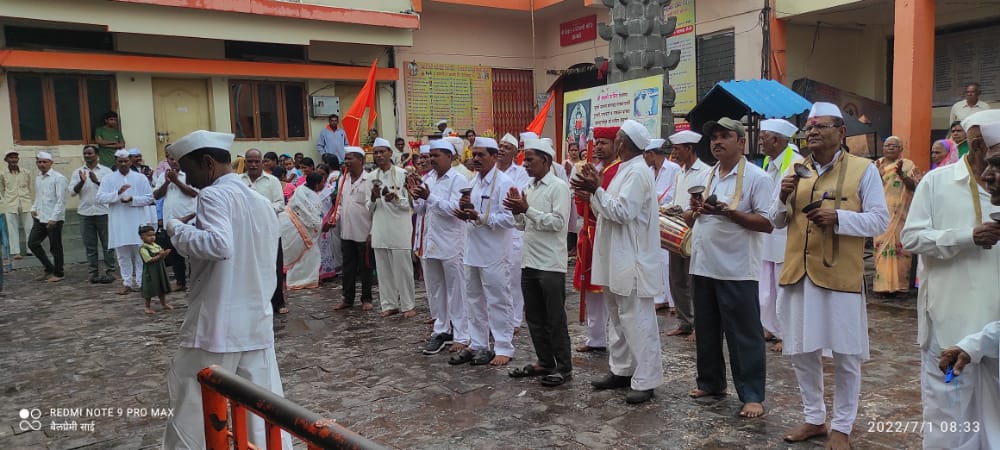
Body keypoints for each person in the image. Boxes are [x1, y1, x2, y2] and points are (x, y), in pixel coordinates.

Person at [161, 130, 290, 450]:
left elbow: (219, 245)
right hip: (255, 321)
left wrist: (177, 229)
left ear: (207, 163)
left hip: (216, 324)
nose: (186, 178)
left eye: (188, 169)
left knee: (193, 408)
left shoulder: (213, 195)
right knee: (262, 409)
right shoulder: (260, 202)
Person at [770, 102, 889, 449]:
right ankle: (814, 418)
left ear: (841, 132)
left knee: (846, 354)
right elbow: (776, 221)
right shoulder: (796, 170)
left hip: (840, 276)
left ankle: (842, 426)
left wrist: (839, 219)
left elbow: (879, 220)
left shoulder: (863, 170)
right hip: (797, 273)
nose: (813, 132)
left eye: (821, 126)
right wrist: (782, 195)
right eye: (809, 127)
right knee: (800, 351)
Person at [902, 113, 1000, 450]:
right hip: (949, 328)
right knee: (948, 424)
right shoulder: (937, 182)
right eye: (995, 159)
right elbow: (912, 239)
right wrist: (965, 237)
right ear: (977, 146)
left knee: (993, 423)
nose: (993, 173)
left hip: (995, 333)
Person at [684, 117, 773, 418]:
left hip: (736, 268)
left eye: (725, 136)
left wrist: (730, 213)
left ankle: (751, 395)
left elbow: (767, 222)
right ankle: (710, 382)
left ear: (741, 142)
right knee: (706, 329)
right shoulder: (708, 175)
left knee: (743, 334)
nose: (717, 142)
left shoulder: (757, 178)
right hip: (703, 264)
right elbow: (693, 217)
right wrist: (693, 212)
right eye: (714, 138)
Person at [572, 119, 664, 405]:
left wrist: (596, 192)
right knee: (618, 316)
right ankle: (622, 370)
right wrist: (594, 192)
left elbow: (623, 212)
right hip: (615, 256)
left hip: (631, 258)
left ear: (622, 144)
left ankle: (646, 379)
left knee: (637, 320)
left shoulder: (637, 173)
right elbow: (606, 210)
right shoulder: (626, 170)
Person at [504, 138, 573, 386]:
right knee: (534, 317)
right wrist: (516, 212)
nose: (525, 164)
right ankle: (545, 361)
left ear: (545, 160)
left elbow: (557, 223)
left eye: (530, 159)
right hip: (530, 260)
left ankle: (564, 367)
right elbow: (524, 225)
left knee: (555, 318)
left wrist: (527, 209)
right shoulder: (531, 188)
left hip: (550, 264)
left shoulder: (558, 187)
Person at [448, 137, 516, 367]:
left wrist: (481, 217)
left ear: (494, 156)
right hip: (472, 250)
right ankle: (478, 343)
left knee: (498, 299)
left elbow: (510, 219)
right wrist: (466, 214)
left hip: (494, 252)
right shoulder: (473, 181)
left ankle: (503, 346)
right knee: (474, 299)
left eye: (481, 155)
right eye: (474, 154)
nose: (475, 159)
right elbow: (474, 213)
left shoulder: (504, 183)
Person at [409, 140, 470, 354]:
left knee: (457, 290)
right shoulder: (428, 178)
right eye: (430, 155)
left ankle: (462, 334)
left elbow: (456, 208)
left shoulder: (458, 179)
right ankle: (441, 329)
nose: (431, 159)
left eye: (436, 155)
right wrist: (416, 198)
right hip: (431, 242)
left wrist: (430, 197)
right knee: (436, 290)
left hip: (452, 243)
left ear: (449, 157)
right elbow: (422, 211)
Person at [572, 126, 620, 353]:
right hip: (589, 234)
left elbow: (614, 207)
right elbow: (582, 210)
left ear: (616, 144)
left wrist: (591, 198)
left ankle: (616, 338)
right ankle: (596, 337)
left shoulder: (619, 171)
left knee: (611, 289)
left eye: (604, 142)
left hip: (610, 234)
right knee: (591, 288)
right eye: (597, 142)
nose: (599, 147)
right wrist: (583, 199)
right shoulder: (594, 169)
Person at [757, 119, 801, 352]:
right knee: (766, 289)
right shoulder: (770, 161)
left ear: (776, 140)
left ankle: (788, 333)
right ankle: (770, 327)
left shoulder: (795, 163)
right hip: (769, 235)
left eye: (763, 137)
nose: (760, 142)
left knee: (785, 289)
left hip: (785, 236)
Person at [664, 129, 709, 340]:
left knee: (694, 282)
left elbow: (702, 205)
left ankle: (700, 325)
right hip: (677, 233)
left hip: (695, 233)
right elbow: (677, 200)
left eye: (677, 149)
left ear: (689, 149)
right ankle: (685, 322)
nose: (674, 153)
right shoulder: (680, 173)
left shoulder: (705, 172)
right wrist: (670, 209)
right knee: (677, 280)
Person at [96, 149, 156, 295]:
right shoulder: (108, 179)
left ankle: (141, 282)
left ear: (130, 161)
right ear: (115, 162)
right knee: (123, 255)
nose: (123, 164)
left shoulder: (140, 178)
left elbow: (150, 198)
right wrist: (117, 193)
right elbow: (100, 198)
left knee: (140, 254)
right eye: (120, 161)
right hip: (119, 221)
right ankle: (127, 283)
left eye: (126, 161)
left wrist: (132, 199)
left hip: (137, 220)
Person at [367, 138, 415, 318]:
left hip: (400, 227)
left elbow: (411, 205)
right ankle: (389, 304)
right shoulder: (371, 178)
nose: (379, 155)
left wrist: (395, 198)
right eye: (376, 152)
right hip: (380, 227)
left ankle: (408, 304)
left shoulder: (403, 174)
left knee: (403, 269)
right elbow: (368, 208)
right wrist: (373, 198)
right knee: (384, 270)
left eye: (382, 152)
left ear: (389, 153)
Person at [872, 136, 922, 297]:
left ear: (901, 149)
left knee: (901, 248)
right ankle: (882, 286)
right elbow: (868, 188)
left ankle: (900, 286)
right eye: (888, 145)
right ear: (883, 148)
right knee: (881, 246)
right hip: (881, 213)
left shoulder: (908, 165)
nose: (891, 148)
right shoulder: (876, 165)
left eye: (895, 146)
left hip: (901, 213)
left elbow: (914, 186)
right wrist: (878, 176)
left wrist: (901, 174)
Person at [240, 149, 288, 314]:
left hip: (270, 233)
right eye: (250, 161)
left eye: (256, 161)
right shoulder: (239, 181)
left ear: (261, 162)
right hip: (248, 234)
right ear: (245, 162)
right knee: (251, 269)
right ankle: (255, 302)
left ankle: (278, 302)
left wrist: (260, 208)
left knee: (274, 267)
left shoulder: (272, 181)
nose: (253, 165)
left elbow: (280, 204)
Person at [332, 147, 374, 311]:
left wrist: (372, 231)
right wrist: (334, 218)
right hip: (346, 231)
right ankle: (347, 298)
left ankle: (366, 298)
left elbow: (373, 207)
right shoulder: (343, 179)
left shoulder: (369, 179)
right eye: (346, 159)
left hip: (363, 231)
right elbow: (340, 205)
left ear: (361, 160)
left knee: (365, 268)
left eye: (350, 159)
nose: (347, 162)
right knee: (348, 267)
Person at [643, 138, 681, 313]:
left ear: (652, 154)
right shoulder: (649, 171)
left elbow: (676, 191)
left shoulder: (673, 169)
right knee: (656, 259)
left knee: (667, 262)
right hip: (653, 219)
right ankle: (660, 298)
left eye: (645, 154)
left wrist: (662, 205)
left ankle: (673, 302)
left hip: (669, 218)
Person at [498, 133, 531, 333]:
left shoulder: (521, 173)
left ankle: (515, 318)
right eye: (500, 146)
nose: (502, 150)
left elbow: (519, 197)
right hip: (493, 231)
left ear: (515, 153)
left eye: (507, 147)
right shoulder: (489, 172)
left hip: (514, 229)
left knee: (513, 277)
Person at [71, 145, 116, 283]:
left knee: (107, 244)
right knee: (90, 245)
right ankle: (93, 272)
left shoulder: (107, 171)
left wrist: (96, 181)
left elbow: (112, 191)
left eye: (90, 153)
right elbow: (72, 192)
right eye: (85, 153)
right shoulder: (77, 172)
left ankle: (110, 271)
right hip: (85, 213)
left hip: (103, 212)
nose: (87, 155)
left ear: (97, 155)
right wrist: (82, 182)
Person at [153, 156, 198, 291]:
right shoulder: (163, 176)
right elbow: (156, 195)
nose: (173, 161)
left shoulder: (190, 175)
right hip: (170, 222)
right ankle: (180, 281)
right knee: (174, 254)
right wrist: (167, 182)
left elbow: (194, 193)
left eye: (176, 158)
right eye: (170, 159)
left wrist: (176, 181)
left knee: (192, 254)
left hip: (188, 220)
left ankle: (195, 282)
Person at [280, 172, 325, 290]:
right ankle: (297, 281)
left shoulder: (301, 190)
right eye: (322, 182)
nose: (323, 184)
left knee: (311, 255)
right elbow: (312, 217)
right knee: (306, 255)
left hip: (297, 228)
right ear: (316, 185)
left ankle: (308, 281)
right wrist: (320, 224)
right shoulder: (305, 193)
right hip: (298, 228)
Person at [28, 152, 68, 282]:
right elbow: (38, 196)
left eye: (45, 162)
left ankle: (59, 273)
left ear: (51, 163)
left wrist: (54, 218)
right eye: (39, 162)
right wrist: (34, 208)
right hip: (40, 217)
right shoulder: (39, 177)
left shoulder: (59, 178)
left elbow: (61, 200)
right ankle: (49, 268)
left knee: (55, 246)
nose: (42, 164)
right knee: (32, 243)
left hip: (53, 218)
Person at [0, 151, 34, 259]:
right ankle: (16, 252)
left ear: (18, 159)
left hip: (26, 202)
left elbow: (29, 187)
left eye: (15, 157)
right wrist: (6, 200)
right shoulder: (2, 173)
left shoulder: (26, 172)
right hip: (10, 203)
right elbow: (2, 189)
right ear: (7, 160)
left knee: (29, 227)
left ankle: (31, 250)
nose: (14, 160)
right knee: (12, 228)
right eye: (11, 158)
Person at [138, 225, 172, 314]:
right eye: (149, 235)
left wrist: (165, 254)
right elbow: (149, 260)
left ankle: (163, 303)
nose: (152, 237)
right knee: (149, 289)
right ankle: (147, 307)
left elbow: (161, 256)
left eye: (153, 235)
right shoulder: (143, 248)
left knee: (161, 286)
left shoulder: (156, 245)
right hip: (150, 272)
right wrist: (160, 255)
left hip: (159, 270)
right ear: (142, 237)